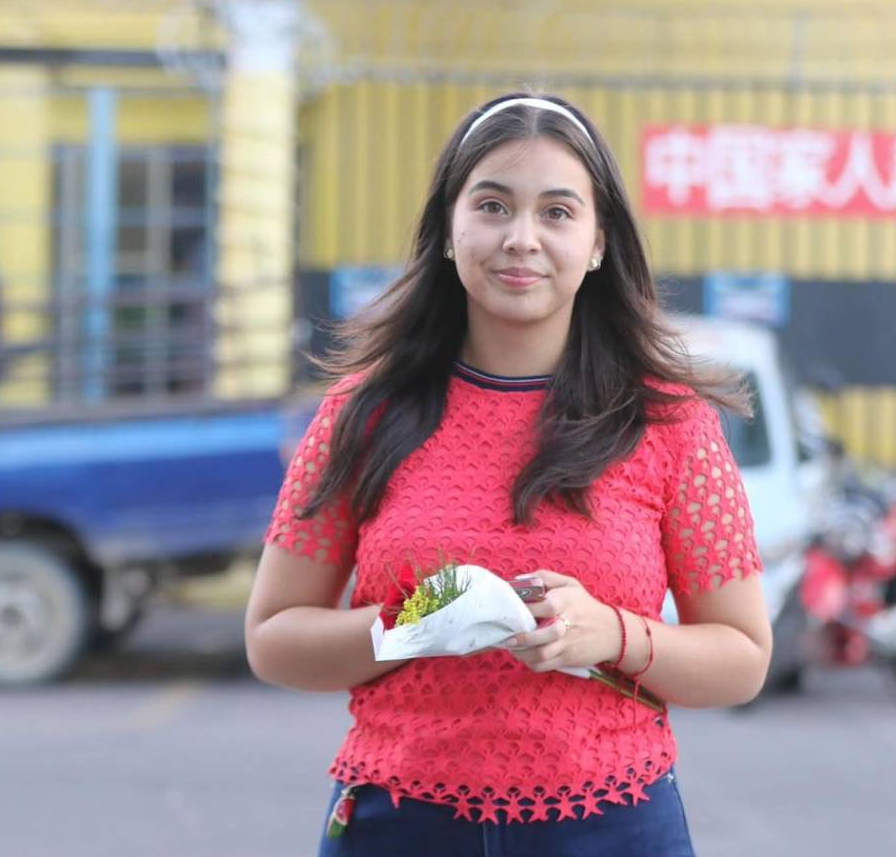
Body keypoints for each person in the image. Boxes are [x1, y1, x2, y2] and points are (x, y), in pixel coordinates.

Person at [245, 92, 771, 857]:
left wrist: (611, 634)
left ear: (597, 244)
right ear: (449, 232)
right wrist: (405, 627)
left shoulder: (669, 422)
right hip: (398, 823)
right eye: (492, 206)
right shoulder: (363, 411)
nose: (521, 239)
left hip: (612, 826)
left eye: (557, 212)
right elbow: (272, 638)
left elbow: (743, 659)